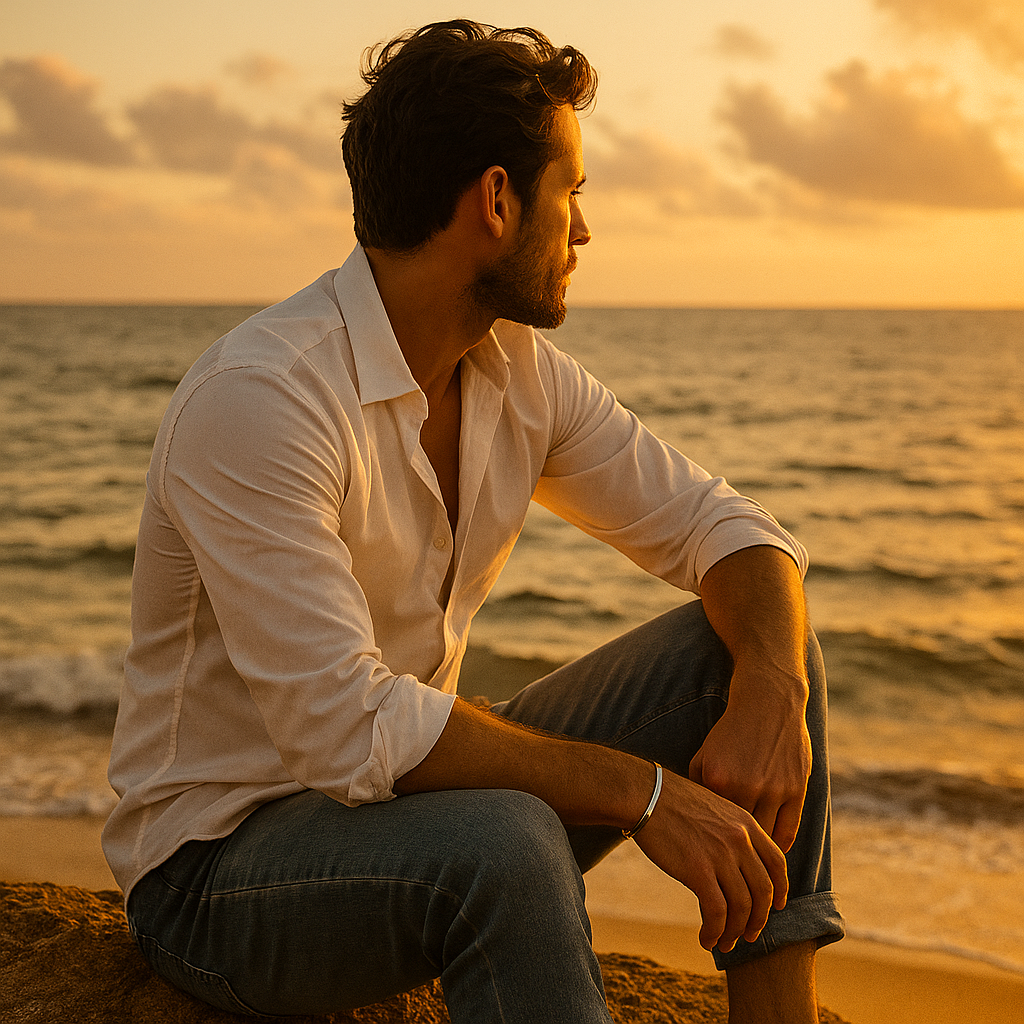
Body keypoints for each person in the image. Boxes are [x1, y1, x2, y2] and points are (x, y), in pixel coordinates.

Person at [103, 19, 844, 1024]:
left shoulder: (518, 376)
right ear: (497, 201)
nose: (582, 231)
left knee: (754, 644)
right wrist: (646, 792)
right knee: (507, 842)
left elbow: (728, 529)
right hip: (220, 873)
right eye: (570, 193)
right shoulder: (264, 396)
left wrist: (769, 684)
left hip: (404, 814)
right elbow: (344, 724)